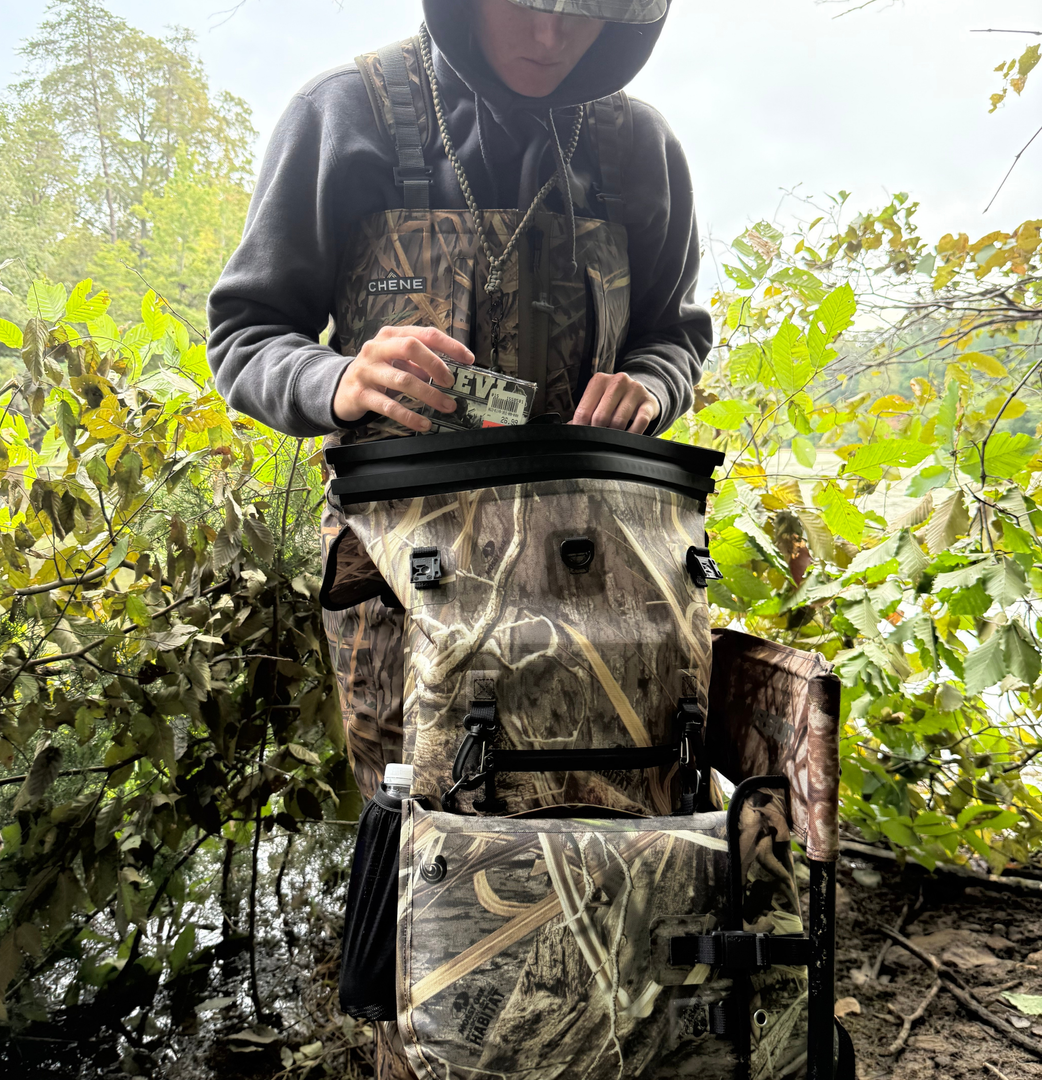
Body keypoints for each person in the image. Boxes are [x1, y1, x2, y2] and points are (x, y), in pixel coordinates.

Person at [208, 1, 711, 1074]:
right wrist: (337, 379)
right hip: (405, 591)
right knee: (426, 860)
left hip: (607, 595)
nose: (551, 35)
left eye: (586, 15)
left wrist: (654, 386)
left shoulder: (640, 150)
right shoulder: (347, 116)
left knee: (614, 856)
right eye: (529, 3)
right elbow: (246, 336)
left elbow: (680, 333)